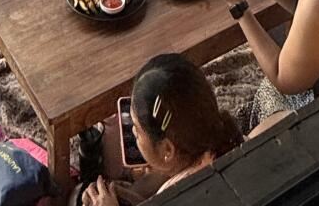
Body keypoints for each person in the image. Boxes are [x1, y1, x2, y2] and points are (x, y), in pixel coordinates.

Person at [82, 54, 243, 204]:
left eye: (137, 130)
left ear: (167, 149)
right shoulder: (229, 144)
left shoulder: (176, 197)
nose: (132, 132)